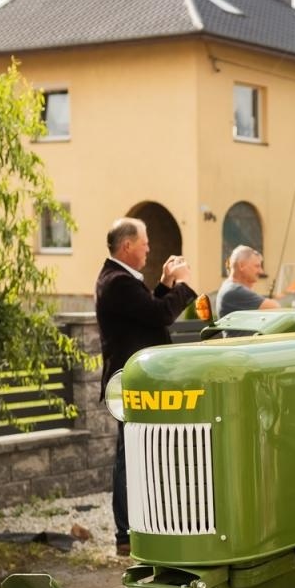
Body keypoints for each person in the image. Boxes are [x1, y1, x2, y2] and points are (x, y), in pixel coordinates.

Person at [95, 217, 197, 556]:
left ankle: (139, 526)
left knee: (139, 453)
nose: (149, 249)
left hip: (137, 381)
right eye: (145, 243)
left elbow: (146, 311)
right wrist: (184, 285)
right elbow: (160, 315)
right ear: (127, 246)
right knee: (129, 456)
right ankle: (126, 533)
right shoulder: (117, 282)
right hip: (130, 382)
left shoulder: (119, 279)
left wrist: (166, 284)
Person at [216, 246, 280, 317]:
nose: (261, 271)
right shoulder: (235, 291)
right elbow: (276, 308)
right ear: (241, 266)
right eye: (257, 266)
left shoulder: (229, 286)